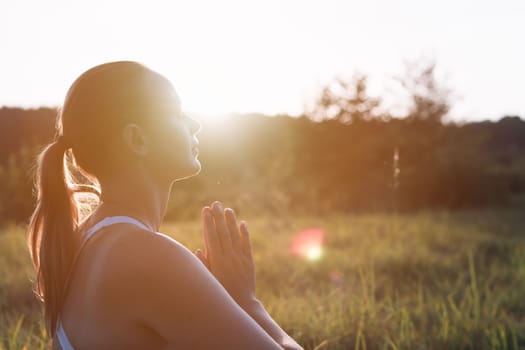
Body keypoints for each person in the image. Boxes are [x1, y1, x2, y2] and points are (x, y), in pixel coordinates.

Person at [27, 61, 303, 349]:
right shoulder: (148, 256)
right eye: (176, 113)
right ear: (138, 139)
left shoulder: (83, 242)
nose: (194, 123)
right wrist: (247, 301)